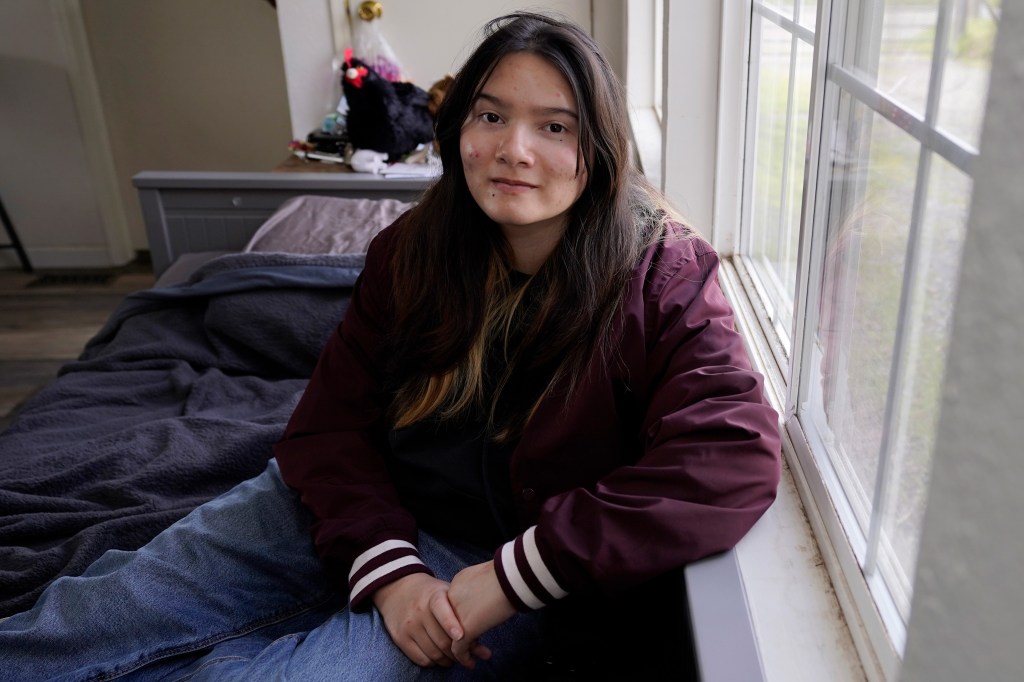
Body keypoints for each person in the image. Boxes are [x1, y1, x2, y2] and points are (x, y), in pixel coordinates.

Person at [0, 12, 780, 681]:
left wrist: (508, 582)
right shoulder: (413, 246)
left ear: (599, 149)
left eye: (555, 126)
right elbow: (328, 426)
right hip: (343, 508)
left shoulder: (663, 273)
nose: (514, 150)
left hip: (497, 566)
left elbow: (731, 453)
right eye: (489, 115)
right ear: (456, 126)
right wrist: (390, 572)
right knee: (90, 613)